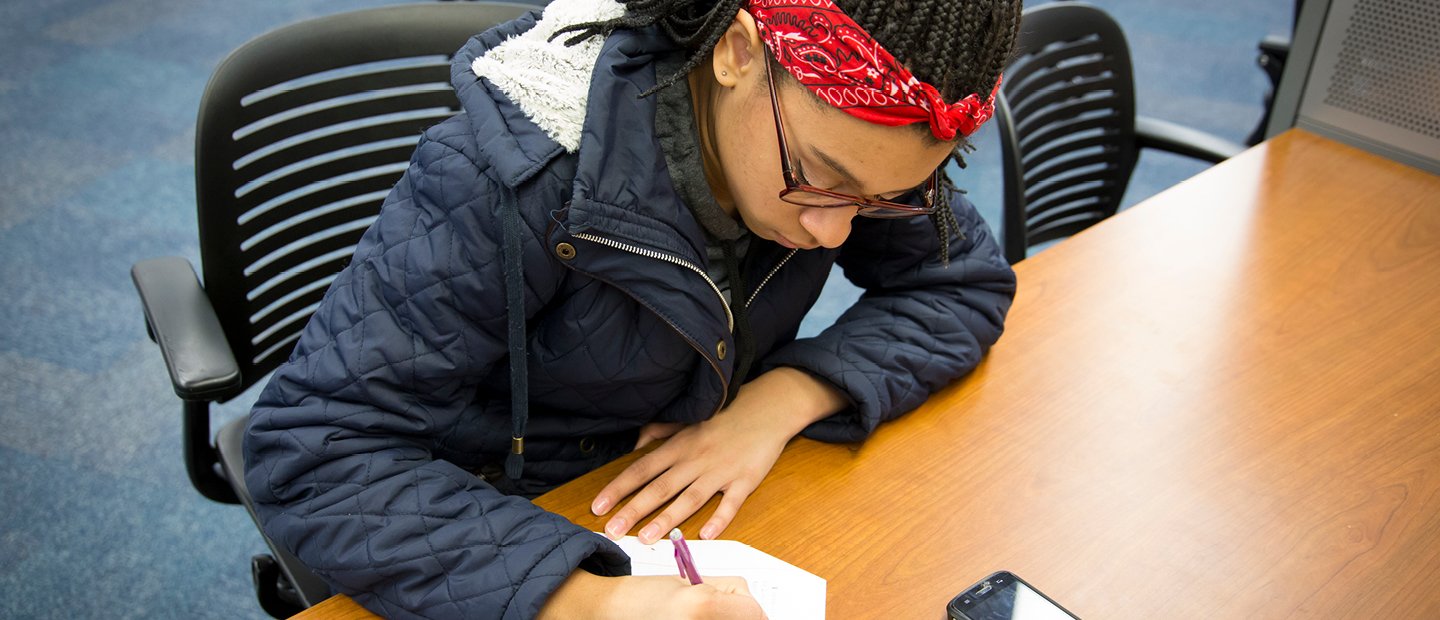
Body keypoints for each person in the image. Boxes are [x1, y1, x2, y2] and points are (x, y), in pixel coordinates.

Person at [244, 0, 1021, 617]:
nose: (833, 232)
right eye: (820, 177)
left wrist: (780, 401)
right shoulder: (512, 176)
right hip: (483, 515)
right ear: (737, 53)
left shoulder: (853, 143)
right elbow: (317, 453)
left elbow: (962, 281)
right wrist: (593, 603)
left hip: (663, 506)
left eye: (882, 201)